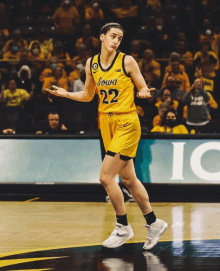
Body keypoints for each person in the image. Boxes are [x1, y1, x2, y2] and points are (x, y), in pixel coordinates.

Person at [46, 22, 167, 250]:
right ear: (102, 37)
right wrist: (66, 94)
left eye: (120, 38)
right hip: (106, 123)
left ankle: (123, 227)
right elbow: (88, 95)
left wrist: (142, 91)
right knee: (129, 179)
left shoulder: (127, 61)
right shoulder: (91, 64)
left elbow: (142, 87)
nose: (116, 41)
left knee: (105, 177)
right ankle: (154, 222)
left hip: (127, 123)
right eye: (113, 36)